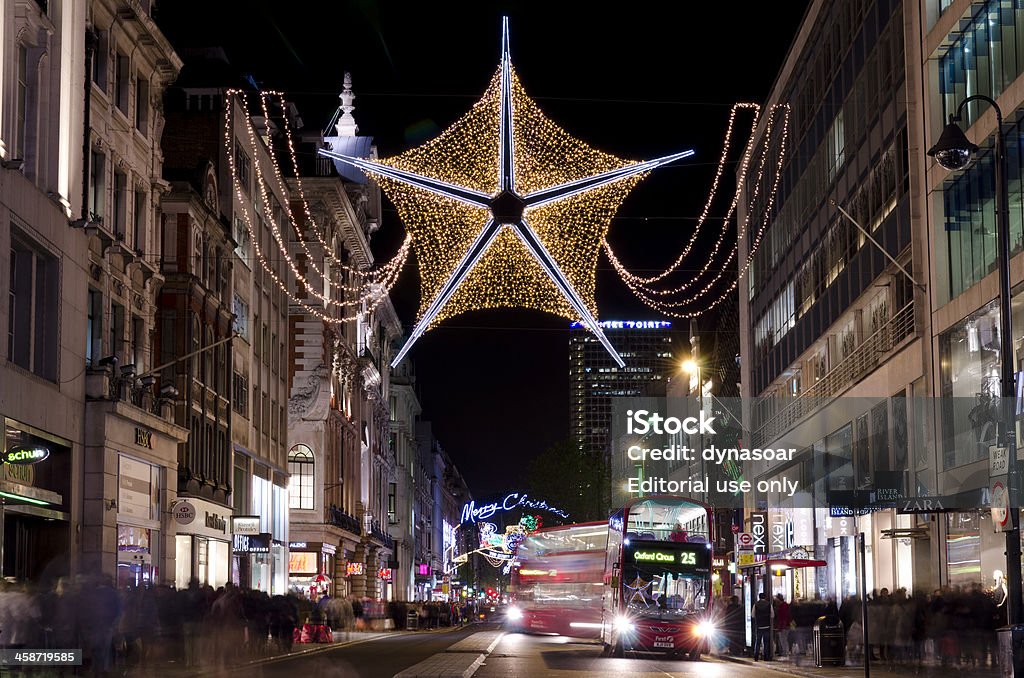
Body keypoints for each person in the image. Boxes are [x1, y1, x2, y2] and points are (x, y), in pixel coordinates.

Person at [752, 592, 773, 661]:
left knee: (758, 641)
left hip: (759, 625)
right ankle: (766, 656)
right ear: (765, 597)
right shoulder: (769, 604)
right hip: (766, 625)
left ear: (759, 597)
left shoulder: (756, 605)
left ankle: (756, 656)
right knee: (766, 642)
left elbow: (753, 615)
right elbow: (772, 615)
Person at [774, 593, 791, 658]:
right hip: (785, 625)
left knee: (783, 640)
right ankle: (785, 652)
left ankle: (785, 652)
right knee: (784, 639)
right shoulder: (785, 605)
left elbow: (783, 617)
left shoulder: (782, 606)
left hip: (783, 626)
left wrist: (781, 626)